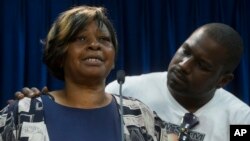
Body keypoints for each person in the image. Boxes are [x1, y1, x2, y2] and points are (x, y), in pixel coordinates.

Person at [11, 23, 250, 140]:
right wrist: (41, 110)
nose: (183, 65)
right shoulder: (124, 90)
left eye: (202, 66)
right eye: (185, 51)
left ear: (223, 80)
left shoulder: (241, 119)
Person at [0, 5, 176, 141]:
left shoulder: (139, 115)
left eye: (104, 39)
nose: (94, 45)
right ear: (59, 54)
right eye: (81, 38)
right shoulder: (22, 113)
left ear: (113, 59)